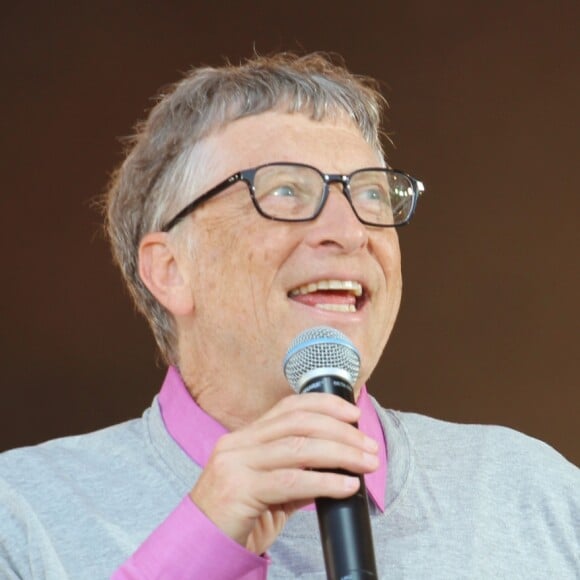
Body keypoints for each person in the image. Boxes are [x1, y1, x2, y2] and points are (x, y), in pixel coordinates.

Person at [0, 52, 578, 580]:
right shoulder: (22, 513)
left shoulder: (531, 491)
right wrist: (199, 546)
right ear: (171, 269)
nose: (351, 233)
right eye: (283, 192)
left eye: (371, 196)